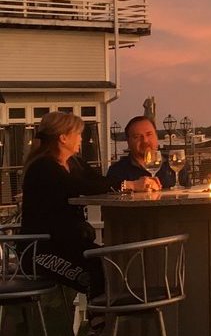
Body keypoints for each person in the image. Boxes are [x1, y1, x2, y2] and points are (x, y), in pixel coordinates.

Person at [21, 112, 158, 299]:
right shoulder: (43, 167)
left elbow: (99, 181)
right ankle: (100, 322)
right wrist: (130, 185)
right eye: (78, 134)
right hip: (39, 251)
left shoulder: (74, 163)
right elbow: (80, 186)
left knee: (106, 265)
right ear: (63, 138)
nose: (81, 139)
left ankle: (101, 320)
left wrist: (131, 185)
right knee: (99, 271)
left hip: (66, 244)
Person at [107, 115, 190, 189]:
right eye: (137, 137)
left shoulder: (173, 164)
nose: (145, 141)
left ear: (156, 136)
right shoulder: (117, 171)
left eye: (149, 134)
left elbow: (187, 199)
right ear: (128, 142)